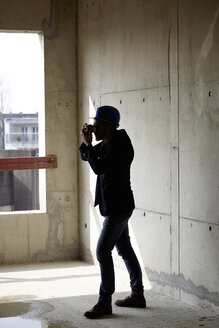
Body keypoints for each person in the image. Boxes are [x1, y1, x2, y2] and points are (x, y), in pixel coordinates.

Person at [79, 105, 146, 319]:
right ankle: (137, 295)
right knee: (124, 249)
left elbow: (98, 167)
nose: (95, 129)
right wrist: (87, 143)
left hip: (119, 208)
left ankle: (104, 302)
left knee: (101, 251)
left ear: (110, 126)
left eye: (98, 126)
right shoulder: (107, 142)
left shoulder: (121, 145)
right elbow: (85, 156)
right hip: (114, 206)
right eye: (94, 126)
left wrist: (89, 145)